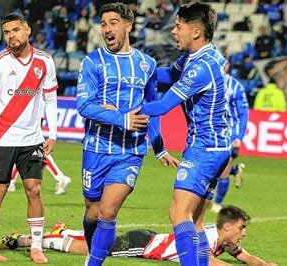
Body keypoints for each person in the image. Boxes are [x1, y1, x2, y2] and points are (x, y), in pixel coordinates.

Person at [76, 3, 179, 265]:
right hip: (96, 148)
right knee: (93, 212)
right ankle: (93, 250)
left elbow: (151, 109)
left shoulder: (147, 64)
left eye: (113, 22)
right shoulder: (92, 62)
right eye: (103, 23)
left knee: (108, 212)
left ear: (128, 25)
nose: (107, 29)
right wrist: (122, 117)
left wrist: (160, 146)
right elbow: (84, 106)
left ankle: (93, 263)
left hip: (130, 152)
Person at [128, 3, 231, 265]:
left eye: (178, 27)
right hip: (218, 148)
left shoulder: (200, 68)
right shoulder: (200, 57)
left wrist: (122, 110)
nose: (173, 32)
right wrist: (140, 70)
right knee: (195, 222)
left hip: (204, 149)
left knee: (178, 213)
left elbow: (162, 106)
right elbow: (165, 76)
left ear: (196, 32)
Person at [0, 12, 59, 263]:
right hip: (2, 139)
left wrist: (53, 134)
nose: (10, 36)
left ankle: (36, 246)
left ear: (27, 31)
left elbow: (50, 99)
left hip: (32, 140)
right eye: (6, 32)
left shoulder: (44, 61)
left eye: (15, 30)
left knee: (34, 191)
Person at [0, 205, 277, 266]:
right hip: (140, 245)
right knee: (89, 251)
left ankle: (62, 232)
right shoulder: (204, 238)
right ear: (226, 227)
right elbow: (212, 265)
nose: (244, 233)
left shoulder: (223, 240)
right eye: (241, 227)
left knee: (94, 245)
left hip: (146, 237)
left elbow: (248, 258)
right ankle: (36, 239)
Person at [211, 60, 249, 213]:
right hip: (212, 133)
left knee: (223, 170)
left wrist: (238, 137)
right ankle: (235, 171)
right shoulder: (209, 82)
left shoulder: (236, 86)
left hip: (230, 134)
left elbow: (243, 114)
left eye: (223, 64)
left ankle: (218, 204)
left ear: (227, 66)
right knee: (213, 169)